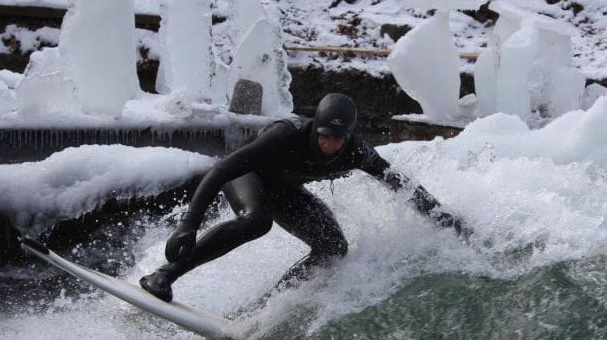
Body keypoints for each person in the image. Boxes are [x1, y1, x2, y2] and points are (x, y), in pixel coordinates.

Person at [140, 93, 466, 302]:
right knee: (257, 221)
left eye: (338, 139)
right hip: (245, 176)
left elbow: (397, 181)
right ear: (315, 129)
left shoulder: (355, 153)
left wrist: (442, 216)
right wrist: (188, 224)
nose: (330, 145)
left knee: (334, 248)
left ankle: (264, 307)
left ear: (349, 136)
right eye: (324, 136)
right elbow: (220, 170)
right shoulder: (286, 134)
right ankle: (164, 275)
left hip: (285, 190)